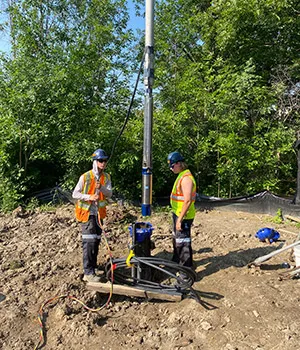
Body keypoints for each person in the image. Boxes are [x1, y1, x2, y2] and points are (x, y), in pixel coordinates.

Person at [72, 148, 112, 282]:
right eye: (100, 161)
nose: (103, 163)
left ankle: (93, 267)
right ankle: (88, 272)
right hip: (87, 214)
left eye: (105, 161)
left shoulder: (106, 177)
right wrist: (89, 196)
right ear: (95, 161)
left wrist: (101, 188)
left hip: (99, 215)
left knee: (96, 241)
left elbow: (109, 194)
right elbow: (75, 194)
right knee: (89, 242)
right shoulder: (85, 177)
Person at [167, 151, 196, 268]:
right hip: (178, 214)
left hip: (183, 216)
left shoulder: (186, 179)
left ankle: (186, 271)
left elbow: (187, 201)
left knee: (183, 243)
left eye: (172, 166)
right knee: (177, 239)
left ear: (179, 164)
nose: (171, 168)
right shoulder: (181, 175)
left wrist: (180, 219)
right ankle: (176, 261)